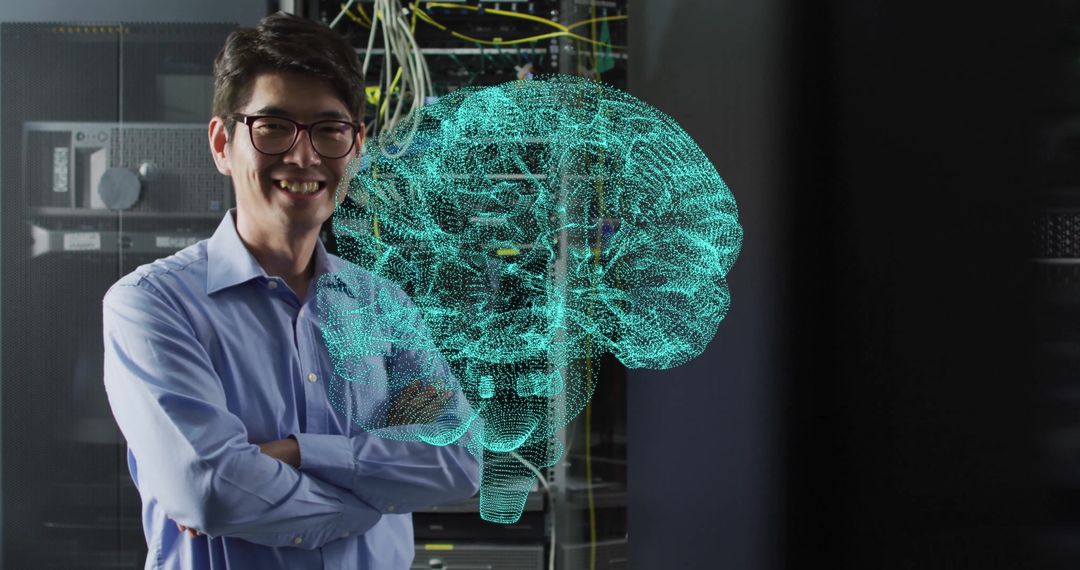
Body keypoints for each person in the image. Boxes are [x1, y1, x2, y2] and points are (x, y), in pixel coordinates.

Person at [102, 12, 480, 569]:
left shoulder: (383, 307)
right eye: (273, 126)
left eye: (329, 130)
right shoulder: (153, 306)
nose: (303, 157)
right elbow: (210, 489)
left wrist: (293, 455)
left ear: (355, 147)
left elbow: (459, 459)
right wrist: (366, 504)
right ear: (221, 143)